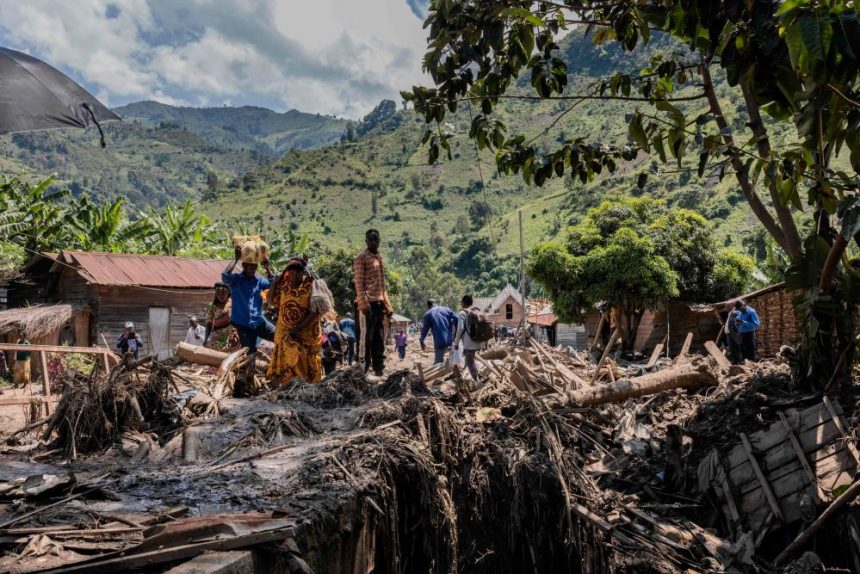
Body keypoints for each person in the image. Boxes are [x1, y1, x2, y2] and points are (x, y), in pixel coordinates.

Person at [267, 257, 323, 385]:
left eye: (298, 272)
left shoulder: (311, 285)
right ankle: (284, 386)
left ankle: (305, 386)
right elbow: (270, 301)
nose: (294, 275)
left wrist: (297, 329)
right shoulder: (283, 285)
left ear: (303, 272)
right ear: (287, 273)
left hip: (306, 332)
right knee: (285, 357)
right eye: (291, 272)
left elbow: (315, 311)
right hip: (284, 330)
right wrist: (274, 283)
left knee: (304, 357)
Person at [353, 229, 394, 378]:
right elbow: (359, 283)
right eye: (371, 239)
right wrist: (364, 306)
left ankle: (378, 368)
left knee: (378, 338)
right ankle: (362, 369)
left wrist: (388, 305)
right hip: (367, 305)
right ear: (366, 241)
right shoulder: (361, 258)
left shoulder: (379, 258)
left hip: (378, 304)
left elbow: (383, 286)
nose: (374, 242)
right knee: (365, 338)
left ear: (379, 241)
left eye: (376, 239)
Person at [222, 245, 276, 353]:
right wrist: (236, 258)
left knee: (279, 336)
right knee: (249, 352)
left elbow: (274, 285)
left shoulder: (260, 281)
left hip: (259, 322)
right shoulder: (236, 280)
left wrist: (267, 267)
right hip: (243, 325)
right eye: (250, 266)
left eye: (255, 266)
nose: (253, 269)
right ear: (244, 265)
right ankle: (250, 368)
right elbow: (225, 277)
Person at [454, 295, 486, 381]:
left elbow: (460, 329)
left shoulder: (462, 313)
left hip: (470, 342)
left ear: (464, 303)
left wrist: (456, 343)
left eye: (461, 302)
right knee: (469, 358)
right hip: (479, 341)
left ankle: (477, 381)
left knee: (470, 361)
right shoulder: (477, 311)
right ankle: (475, 376)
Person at [420, 300, 458, 365]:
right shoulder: (446, 310)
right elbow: (457, 318)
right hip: (450, 340)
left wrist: (421, 341)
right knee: (452, 361)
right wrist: (456, 333)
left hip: (439, 341)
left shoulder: (428, 314)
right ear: (435, 303)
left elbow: (425, 330)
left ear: (428, 306)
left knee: (438, 363)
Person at [205, 282, 239, 352]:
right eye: (218, 294)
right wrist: (206, 339)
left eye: (223, 293)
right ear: (216, 294)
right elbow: (209, 324)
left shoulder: (234, 304)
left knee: (233, 360)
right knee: (217, 359)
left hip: (233, 339)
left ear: (228, 293)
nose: (221, 296)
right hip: (218, 340)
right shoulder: (211, 306)